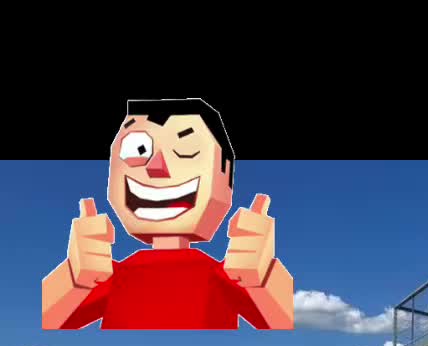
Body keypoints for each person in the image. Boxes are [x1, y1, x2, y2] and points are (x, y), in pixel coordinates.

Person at [42, 97, 293, 331]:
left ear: (224, 173)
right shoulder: (115, 276)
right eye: (137, 151)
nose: (156, 167)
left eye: (187, 150)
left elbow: (283, 324)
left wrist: (262, 277)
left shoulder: (224, 275)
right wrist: (75, 277)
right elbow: (49, 320)